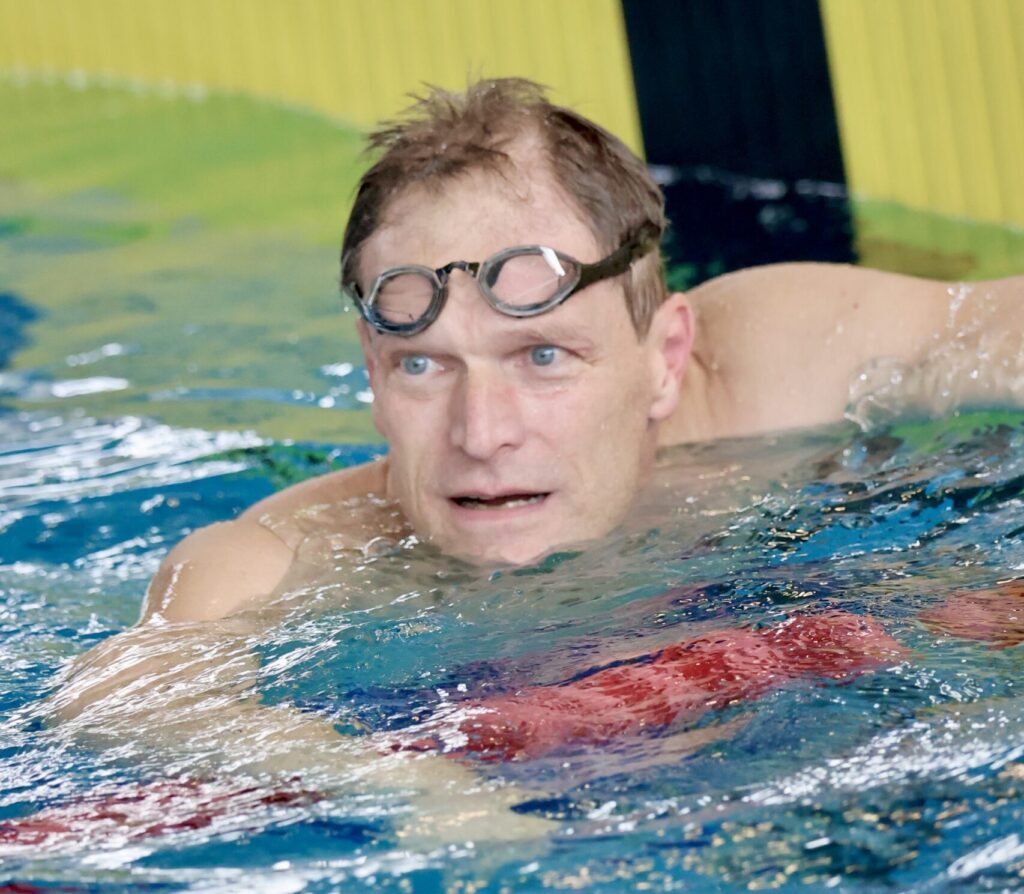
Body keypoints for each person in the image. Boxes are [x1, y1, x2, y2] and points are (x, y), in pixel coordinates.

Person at [44, 77, 1024, 843]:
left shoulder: (774, 369)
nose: (483, 433)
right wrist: (412, 785)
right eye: (424, 366)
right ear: (372, 376)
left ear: (664, 356)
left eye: (542, 357)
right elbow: (117, 698)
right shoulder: (287, 558)